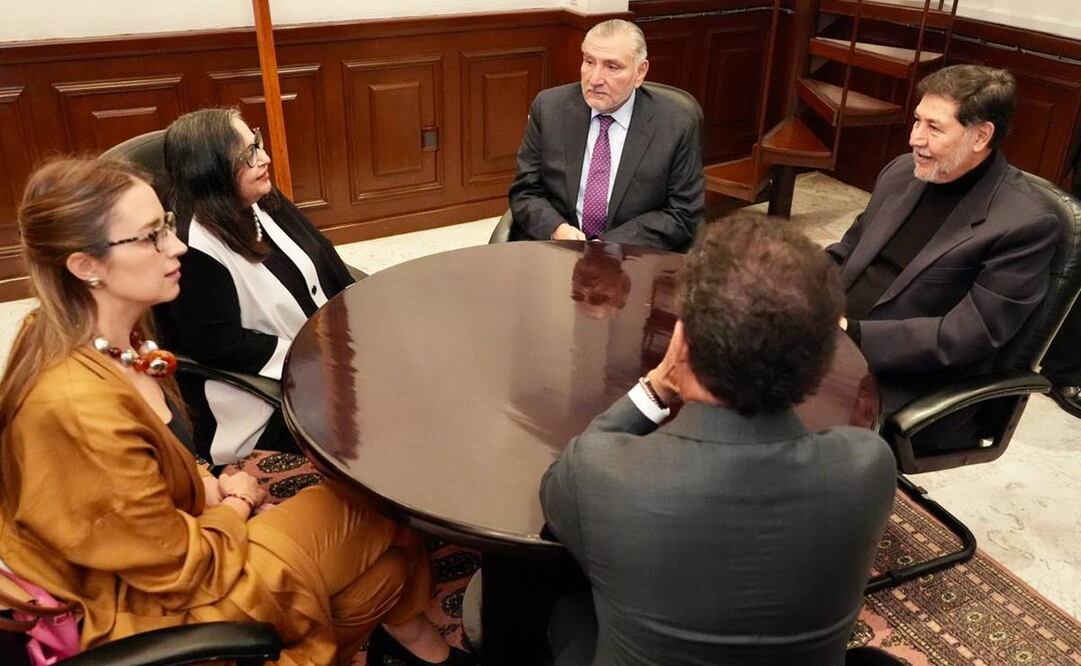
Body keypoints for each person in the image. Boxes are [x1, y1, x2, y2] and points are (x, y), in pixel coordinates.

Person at [0, 157, 471, 666]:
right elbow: (176, 570)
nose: (177, 246)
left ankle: (425, 650)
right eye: (151, 236)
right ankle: (428, 649)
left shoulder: (106, 336)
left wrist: (208, 485)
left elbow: (145, 482)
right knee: (381, 508)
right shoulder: (75, 408)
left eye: (168, 226)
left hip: (174, 547)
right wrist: (237, 503)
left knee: (386, 573)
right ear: (85, 266)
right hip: (157, 602)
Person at [540, 215, 896, 665]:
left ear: (681, 341)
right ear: (823, 362)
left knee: (567, 611)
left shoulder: (600, 470)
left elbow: (555, 496)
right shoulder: (869, 465)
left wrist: (655, 389)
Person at [827, 64, 1060, 451]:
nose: (914, 138)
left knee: (781, 417)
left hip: (912, 379)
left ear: (981, 135)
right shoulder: (902, 173)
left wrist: (853, 332)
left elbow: (967, 335)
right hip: (835, 338)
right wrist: (793, 286)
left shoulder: (1025, 223)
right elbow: (847, 251)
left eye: (934, 128)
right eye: (917, 120)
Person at [162, 108, 355, 464]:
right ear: (211, 173)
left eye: (257, 144)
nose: (264, 158)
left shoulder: (261, 198)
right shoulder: (195, 249)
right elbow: (220, 346)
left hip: (327, 351)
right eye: (249, 155)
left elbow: (322, 257)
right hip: (272, 396)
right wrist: (319, 358)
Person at [508, 19, 704, 250]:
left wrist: (608, 245)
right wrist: (557, 229)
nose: (594, 79)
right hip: (559, 249)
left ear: (640, 72)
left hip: (634, 255)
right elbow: (525, 191)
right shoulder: (549, 108)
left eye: (612, 67)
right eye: (589, 62)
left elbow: (683, 211)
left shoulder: (676, 123)